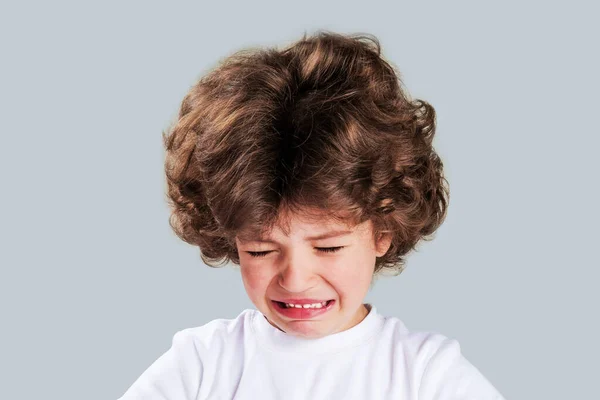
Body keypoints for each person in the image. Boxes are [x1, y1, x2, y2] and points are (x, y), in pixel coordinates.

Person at [117, 30, 506, 399]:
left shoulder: (426, 374)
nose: (296, 279)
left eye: (329, 248)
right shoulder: (202, 364)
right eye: (260, 251)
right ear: (229, 238)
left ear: (383, 231)